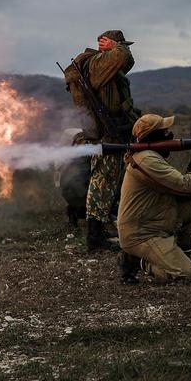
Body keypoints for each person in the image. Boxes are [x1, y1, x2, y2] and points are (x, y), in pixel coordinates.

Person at [117, 114, 191, 284]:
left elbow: (181, 191)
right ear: (152, 137)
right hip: (141, 234)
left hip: (153, 222)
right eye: (164, 132)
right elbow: (186, 186)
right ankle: (138, 261)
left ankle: (183, 259)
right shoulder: (146, 159)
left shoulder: (150, 155)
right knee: (189, 275)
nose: (170, 135)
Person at [64, 30, 141, 251]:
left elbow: (126, 61)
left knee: (108, 182)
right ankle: (95, 238)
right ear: (110, 46)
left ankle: (100, 229)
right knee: (102, 183)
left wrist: (118, 48)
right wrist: (116, 48)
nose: (124, 50)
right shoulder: (98, 63)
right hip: (104, 135)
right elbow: (121, 57)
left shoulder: (106, 64)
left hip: (110, 132)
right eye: (120, 45)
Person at [53, 128, 90, 229]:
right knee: (80, 203)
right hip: (73, 190)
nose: (86, 143)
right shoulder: (70, 161)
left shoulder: (86, 157)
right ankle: (73, 216)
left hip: (82, 187)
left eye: (85, 140)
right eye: (82, 140)